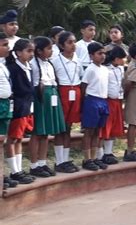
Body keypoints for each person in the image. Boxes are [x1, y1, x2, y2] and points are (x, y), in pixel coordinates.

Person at [29, 36, 66, 178]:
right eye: (48, 48)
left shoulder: (49, 63)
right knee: (37, 132)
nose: (51, 51)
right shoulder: (33, 64)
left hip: (52, 95)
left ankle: (42, 162)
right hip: (40, 97)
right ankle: (33, 165)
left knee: (46, 132)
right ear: (39, 51)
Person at [5, 39, 35, 184]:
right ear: (18, 53)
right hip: (17, 107)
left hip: (26, 107)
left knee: (19, 139)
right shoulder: (13, 68)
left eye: (32, 51)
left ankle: (19, 169)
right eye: (28, 51)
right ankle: (14, 171)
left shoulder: (29, 67)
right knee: (12, 139)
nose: (31, 54)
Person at [51, 31, 82, 173]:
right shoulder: (56, 61)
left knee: (68, 128)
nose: (73, 45)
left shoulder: (77, 59)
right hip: (62, 92)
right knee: (60, 128)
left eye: (74, 41)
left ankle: (66, 159)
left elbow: (81, 76)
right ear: (62, 45)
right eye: (69, 42)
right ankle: (59, 161)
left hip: (75, 91)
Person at [80, 42, 109, 171]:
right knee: (89, 131)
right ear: (91, 56)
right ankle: (87, 159)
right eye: (99, 53)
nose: (102, 56)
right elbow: (84, 86)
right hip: (92, 100)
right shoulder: (90, 69)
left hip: (103, 100)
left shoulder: (105, 69)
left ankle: (95, 157)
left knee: (98, 131)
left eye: (104, 53)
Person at [99, 46, 127, 165]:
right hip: (108, 100)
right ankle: (100, 155)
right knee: (105, 127)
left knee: (114, 127)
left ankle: (109, 152)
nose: (124, 61)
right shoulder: (106, 70)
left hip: (118, 100)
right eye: (122, 58)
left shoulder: (120, 69)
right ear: (116, 59)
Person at [0, 33, 17, 189]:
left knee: (2, 140)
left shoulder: (3, 63)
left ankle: (2, 175)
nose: (8, 48)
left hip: (6, 105)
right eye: (4, 45)